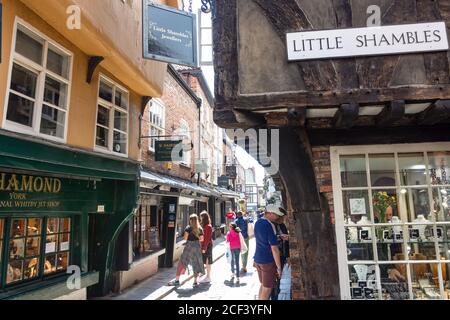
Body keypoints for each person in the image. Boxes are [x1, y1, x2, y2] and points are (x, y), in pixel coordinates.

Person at [253, 204, 285, 300]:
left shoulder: (258, 222)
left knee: (263, 285)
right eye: (276, 215)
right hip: (267, 260)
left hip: (258, 258)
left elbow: (261, 240)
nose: (277, 217)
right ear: (270, 213)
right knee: (267, 288)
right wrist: (279, 268)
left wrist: (278, 237)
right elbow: (274, 248)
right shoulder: (269, 224)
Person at [168, 214, 205, 288]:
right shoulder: (200, 228)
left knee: (182, 262)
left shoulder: (188, 228)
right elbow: (202, 239)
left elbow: (185, 238)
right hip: (197, 246)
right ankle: (195, 282)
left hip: (189, 246)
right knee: (196, 263)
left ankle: (177, 280)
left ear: (191, 220)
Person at [270, 214, 290, 300]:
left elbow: (287, 242)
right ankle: (274, 297)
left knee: (280, 278)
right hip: (273, 256)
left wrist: (288, 256)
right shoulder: (270, 225)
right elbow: (270, 240)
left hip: (282, 255)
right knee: (272, 279)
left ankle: (278, 297)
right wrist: (280, 237)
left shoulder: (282, 225)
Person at [199, 211, 213, 283]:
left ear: (204, 218)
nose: (200, 218)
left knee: (208, 260)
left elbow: (207, 238)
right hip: (204, 245)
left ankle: (208, 276)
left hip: (207, 245)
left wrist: (204, 247)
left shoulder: (208, 226)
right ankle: (205, 275)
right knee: (204, 260)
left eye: (201, 217)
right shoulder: (204, 226)